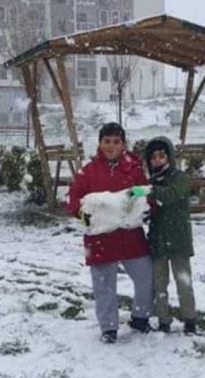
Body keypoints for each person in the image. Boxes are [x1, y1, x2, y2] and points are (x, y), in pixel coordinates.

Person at [67, 122, 153, 344]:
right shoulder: (88, 171)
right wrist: (82, 214)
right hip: (100, 239)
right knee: (104, 286)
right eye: (107, 141)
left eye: (116, 142)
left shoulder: (133, 168)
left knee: (145, 277)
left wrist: (146, 208)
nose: (111, 146)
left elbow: (144, 192)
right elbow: (74, 198)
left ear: (123, 144)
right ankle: (109, 327)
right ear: (100, 143)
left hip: (130, 236)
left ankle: (140, 317)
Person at [142, 137, 198, 335]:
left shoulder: (179, 178)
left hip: (178, 241)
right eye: (153, 157)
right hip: (158, 241)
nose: (157, 160)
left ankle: (190, 319)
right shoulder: (150, 183)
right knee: (159, 284)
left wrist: (150, 191)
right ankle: (163, 319)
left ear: (169, 157)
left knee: (183, 283)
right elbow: (151, 208)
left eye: (161, 155)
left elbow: (171, 194)